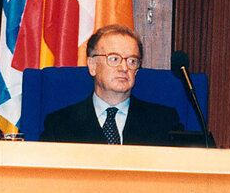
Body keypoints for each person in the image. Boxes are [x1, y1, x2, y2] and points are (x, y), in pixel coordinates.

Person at [39, 24, 183, 145]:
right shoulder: (59, 125)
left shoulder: (164, 122)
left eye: (132, 61)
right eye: (114, 59)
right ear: (92, 66)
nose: (124, 68)